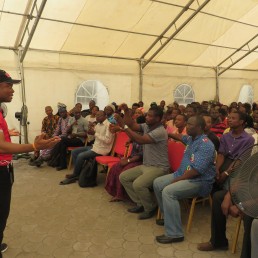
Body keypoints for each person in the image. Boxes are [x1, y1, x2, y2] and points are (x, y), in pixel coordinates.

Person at [0, 69, 60, 258]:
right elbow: (2, 147)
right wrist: (34, 145)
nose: (12, 90)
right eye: (8, 86)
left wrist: (8, 133)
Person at [198, 111, 255, 254]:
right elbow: (222, 154)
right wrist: (217, 169)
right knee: (216, 191)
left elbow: (241, 161)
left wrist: (226, 173)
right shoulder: (225, 136)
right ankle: (218, 241)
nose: (229, 120)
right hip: (225, 165)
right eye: (228, 117)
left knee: (225, 190)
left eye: (233, 118)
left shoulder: (248, 140)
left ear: (242, 122)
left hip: (238, 169)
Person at [154, 116, 216, 244]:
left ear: (199, 128)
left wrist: (178, 180)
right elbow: (180, 137)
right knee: (157, 183)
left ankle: (175, 233)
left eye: (190, 125)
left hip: (199, 181)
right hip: (183, 174)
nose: (187, 126)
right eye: (187, 124)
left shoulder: (206, 144)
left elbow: (196, 171)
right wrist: (167, 133)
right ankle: (169, 218)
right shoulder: (191, 139)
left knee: (168, 191)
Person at [116, 104, 169, 220]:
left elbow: (139, 139)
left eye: (150, 116)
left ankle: (150, 207)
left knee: (138, 184)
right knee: (123, 177)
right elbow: (132, 125)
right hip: (147, 165)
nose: (147, 117)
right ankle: (141, 203)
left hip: (159, 168)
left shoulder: (160, 131)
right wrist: (126, 110)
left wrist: (122, 125)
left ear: (158, 119)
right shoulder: (147, 126)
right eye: (147, 115)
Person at [62, 110, 115, 182]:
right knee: (74, 152)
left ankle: (76, 174)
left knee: (81, 156)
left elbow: (108, 141)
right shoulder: (98, 125)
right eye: (96, 115)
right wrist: (90, 132)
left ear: (105, 116)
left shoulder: (109, 126)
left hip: (102, 150)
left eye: (99, 115)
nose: (97, 117)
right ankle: (79, 172)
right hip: (95, 147)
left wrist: (95, 134)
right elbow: (91, 138)